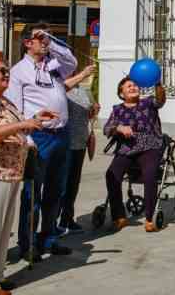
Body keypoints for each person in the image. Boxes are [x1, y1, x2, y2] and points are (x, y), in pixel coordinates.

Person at [0, 55, 55, 295]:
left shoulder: (4, 102)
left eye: (7, 70)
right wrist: (23, 125)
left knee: (1, 230)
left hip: (8, 172)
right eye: (0, 71)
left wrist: (34, 122)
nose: (6, 74)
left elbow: (13, 129)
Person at [6, 23, 78, 262]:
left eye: (47, 37)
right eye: (40, 38)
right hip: (39, 137)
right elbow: (15, 109)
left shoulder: (54, 65)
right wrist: (25, 138)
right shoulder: (18, 72)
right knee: (33, 193)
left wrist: (52, 40)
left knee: (57, 190)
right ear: (28, 42)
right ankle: (27, 242)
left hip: (61, 134)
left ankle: (49, 237)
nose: (45, 42)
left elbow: (72, 63)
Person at [103, 77, 166, 232]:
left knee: (150, 175)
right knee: (111, 175)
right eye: (128, 86)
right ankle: (119, 216)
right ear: (121, 93)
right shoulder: (117, 109)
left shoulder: (148, 103)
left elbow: (161, 100)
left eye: (135, 85)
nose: (133, 88)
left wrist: (157, 83)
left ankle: (150, 218)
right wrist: (119, 128)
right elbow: (107, 129)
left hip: (150, 146)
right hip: (127, 149)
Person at [58, 65, 99, 234]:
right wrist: (83, 74)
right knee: (62, 185)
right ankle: (56, 221)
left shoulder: (83, 90)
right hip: (65, 143)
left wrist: (93, 111)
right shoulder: (60, 88)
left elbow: (88, 113)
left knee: (73, 184)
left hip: (80, 142)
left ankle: (68, 218)